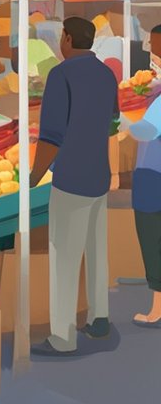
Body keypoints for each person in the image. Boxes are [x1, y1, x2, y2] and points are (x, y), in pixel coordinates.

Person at [29, 17, 119, 356]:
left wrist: (33, 179)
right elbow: (113, 124)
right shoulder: (107, 74)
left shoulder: (61, 74)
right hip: (98, 175)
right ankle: (99, 319)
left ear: (67, 38)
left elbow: (51, 137)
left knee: (64, 256)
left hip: (70, 178)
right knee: (97, 249)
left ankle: (63, 336)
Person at [125, 24, 161, 328]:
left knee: (153, 239)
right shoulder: (154, 86)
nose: (150, 51)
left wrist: (124, 118)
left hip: (153, 173)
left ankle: (157, 309)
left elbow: (146, 130)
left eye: (153, 46)